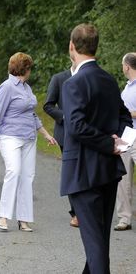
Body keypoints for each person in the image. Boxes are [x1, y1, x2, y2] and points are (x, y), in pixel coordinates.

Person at [60, 23, 131, 273]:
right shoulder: (109, 79)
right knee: (100, 240)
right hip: (108, 171)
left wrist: (110, 143)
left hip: (83, 173)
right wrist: (120, 139)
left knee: (95, 244)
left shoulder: (73, 83)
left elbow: (76, 126)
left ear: (72, 46)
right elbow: (125, 117)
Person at [0, 52, 56, 233]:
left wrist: (45, 134)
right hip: (10, 136)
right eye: (30, 67)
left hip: (29, 137)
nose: (31, 71)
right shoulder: (7, 87)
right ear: (25, 68)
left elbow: (31, 114)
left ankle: (24, 219)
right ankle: (3, 216)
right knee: (13, 172)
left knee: (27, 177)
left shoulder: (26, 88)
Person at [43, 62, 79, 228]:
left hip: (89, 134)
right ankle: (76, 213)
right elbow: (48, 105)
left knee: (86, 171)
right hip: (65, 135)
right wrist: (64, 116)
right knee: (71, 173)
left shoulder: (89, 77)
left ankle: (88, 210)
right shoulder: (58, 79)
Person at [114, 52, 136, 231]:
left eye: (123, 65)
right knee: (123, 178)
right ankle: (124, 218)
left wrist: (127, 113)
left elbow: (128, 112)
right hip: (126, 136)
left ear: (127, 66)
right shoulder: (127, 87)